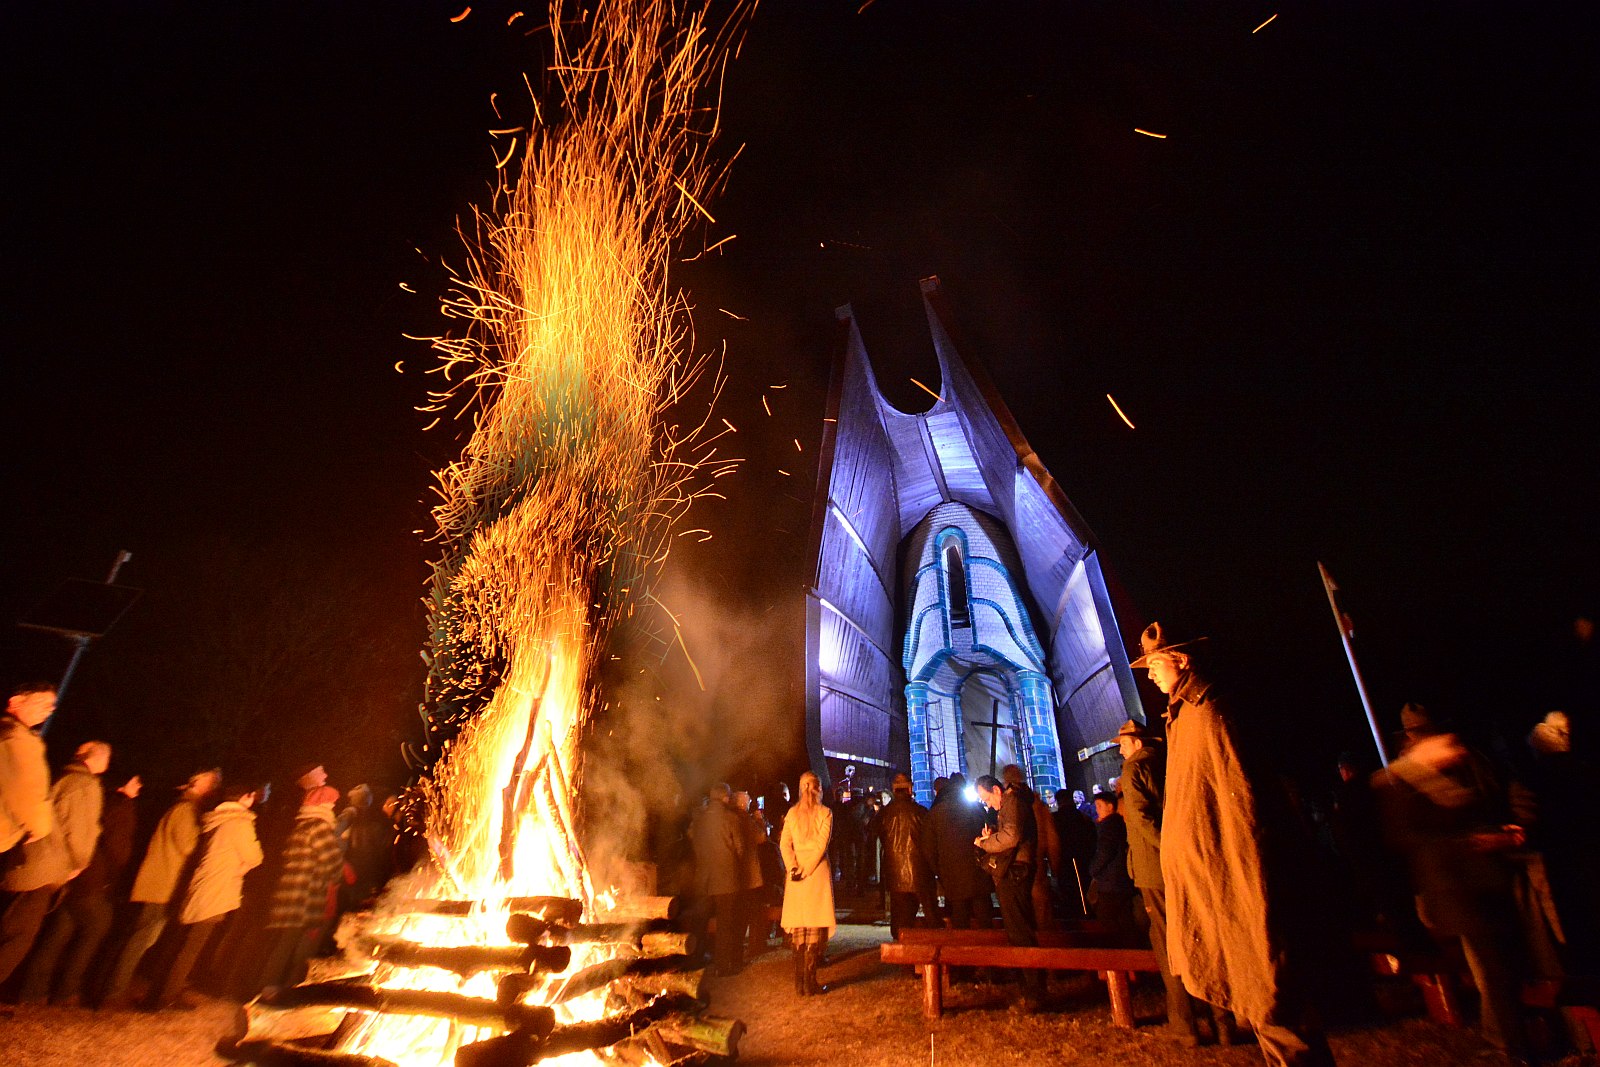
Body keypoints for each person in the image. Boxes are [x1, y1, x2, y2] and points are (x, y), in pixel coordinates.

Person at [1132, 620, 1335, 1066]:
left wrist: (1237, 870)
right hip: (1212, 879)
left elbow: (1238, 803)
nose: (1150, 674)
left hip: (1238, 877)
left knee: (1270, 984)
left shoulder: (1211, 712)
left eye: (1155, 664)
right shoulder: (1184, 715)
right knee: (1254, 986)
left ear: (1181, 660)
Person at [1377, 702, 1530, 1058]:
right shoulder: (1403, 783)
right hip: (1459, 889)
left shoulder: (1460, 771)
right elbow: (1414, 837)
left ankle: (1510, 1037)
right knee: (1493, 970)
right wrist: (1477, 840)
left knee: (1502, 968)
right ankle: (1514, 1044)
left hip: (1482, 884)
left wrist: (1502, 831)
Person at [102, 767, 221, 1007]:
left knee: (140, 938)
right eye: (211, 783)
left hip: (162, 884)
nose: (214, 789)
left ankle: (110, 989)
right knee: (140, 939)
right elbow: (188, 846)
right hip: (162, 885)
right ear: (197, 783)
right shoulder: (185, 810)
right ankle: (111, 993)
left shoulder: (185, 808)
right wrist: (208, 838)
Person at [22, 772, 141, 1005]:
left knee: (59, 933)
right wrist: (117, 870)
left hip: (75, 875)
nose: (139, 785)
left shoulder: (99, 799)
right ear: (125, 782)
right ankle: (65, 991)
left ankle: (32, 991)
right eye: (135, 780)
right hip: (94, 878)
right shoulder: (123, 808)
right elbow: (118, 849)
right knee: (96, 929)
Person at [1117, 718, 1200, 1044]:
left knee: (1168, 945)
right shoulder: (1167, 765)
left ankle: (1184, 1023)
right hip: (1177, 865)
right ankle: (1219, 1018)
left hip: (1155, 868)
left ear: (1136, 743)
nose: (1120, 749)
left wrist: (1166, 848)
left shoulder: (1134, 768)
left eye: (1123, 743)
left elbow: (1139, 817)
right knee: (1192, 935)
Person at [0, 737, 107, 984]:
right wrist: (79, 864)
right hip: (44, 869)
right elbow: (80, 830)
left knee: (9, 928)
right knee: (19, 936)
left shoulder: (61, 777)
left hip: (26, 863)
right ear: (95, 758)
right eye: (106, 757)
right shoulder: (85, 785)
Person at [155, 782, 263, 1009]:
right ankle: (166, 996)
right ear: (246, 796)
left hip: (204, 886)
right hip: (217, 889)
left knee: (184, 942)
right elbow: (254, 856)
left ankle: (162, 991)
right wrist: (244, 863)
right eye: (252, 795)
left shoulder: (218, 819)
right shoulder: (239, 823)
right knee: (192, 946)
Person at [258, 784, 345, 990]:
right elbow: (331, 861)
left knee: (282, 943)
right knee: (296, 944)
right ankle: (284, 988)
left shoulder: (301, 824)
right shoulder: (319, 827)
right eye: (331, 801)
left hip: (289, 890)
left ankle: (264, 986)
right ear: (321, 804)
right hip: (306, 894)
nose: (333, 805)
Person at [974, 772, 1044, 1012]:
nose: (988, 805)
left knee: (1019, 928)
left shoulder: (1012, 802)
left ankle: (1033, 991)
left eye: (987, 799)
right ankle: (1029, 987)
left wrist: (985, 843)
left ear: (996, 790)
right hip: (1017, 869)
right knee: (1017, 927)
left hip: (1015, 871)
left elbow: (1012, 837)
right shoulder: (1013, 803)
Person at [780, 771, 834, 996]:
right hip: (815, 874)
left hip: (797, 877)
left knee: (799, 927)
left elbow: (784, 845)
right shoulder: (825, 813)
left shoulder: (792, 814)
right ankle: (809, 983)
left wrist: (794, 868)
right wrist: (805, 870)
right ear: (817, 788)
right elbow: (822, 846)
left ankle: (800, 983)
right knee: (813, 927)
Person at [690, 783, 747, 977]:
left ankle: (697, 960)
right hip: (726, 878)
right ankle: (723, 966)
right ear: (725, 798)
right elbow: (740, 848)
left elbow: (694, 842)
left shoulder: (699, 820)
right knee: (725, 923)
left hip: (704, 878)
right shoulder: (731, 819)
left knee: (700, 922)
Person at [924, 772, 992, 930]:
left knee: (960, 919)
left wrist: (940, 871)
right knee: (984, 918)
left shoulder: (936, 812)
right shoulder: (976, 808)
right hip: (978, 871)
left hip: (952, 875)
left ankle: (964, 952)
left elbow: (928, 848)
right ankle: (990, 949)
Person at [0, 682, 57, 867]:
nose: (50, 709)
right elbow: (28, 794)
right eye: (42, 702)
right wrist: (40, 828)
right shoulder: (18, 740)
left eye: (52, 705)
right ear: (16, 701)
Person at [873, 773, 936, 938]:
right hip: (920, 872)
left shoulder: (885, 814)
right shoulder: (921, 812)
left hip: (895, 874)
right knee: (931, 917)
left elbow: (872, 832)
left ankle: (901, 951)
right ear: (910, 789)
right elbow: (930, 841)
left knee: (900, 920)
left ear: (894, 790)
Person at [1003, 764, 1059, 931]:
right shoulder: (1036, 803)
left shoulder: (1011, 802)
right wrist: (1055, 867)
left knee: (1022, 913)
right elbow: (1052, 838)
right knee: (1040, 912)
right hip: (1035, 864)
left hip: (1018, 864)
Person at [1088, 791, 1137, 930]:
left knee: (1108, 922)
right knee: (1124, 921)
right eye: (1096, 806)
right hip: (1119, 881)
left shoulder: (1109, 826)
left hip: (1111, 883)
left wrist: (1093, 869)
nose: (1097, 810)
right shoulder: (1116, 824)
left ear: (1110, 807)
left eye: (1100, 806)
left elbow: (1105, 851)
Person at [1053, 788, 1095, 917]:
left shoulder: (1055, 818)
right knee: (1083, 889)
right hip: (1083, 858)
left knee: (1067, 891)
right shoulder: (1083, 817)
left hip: (1063, 859)